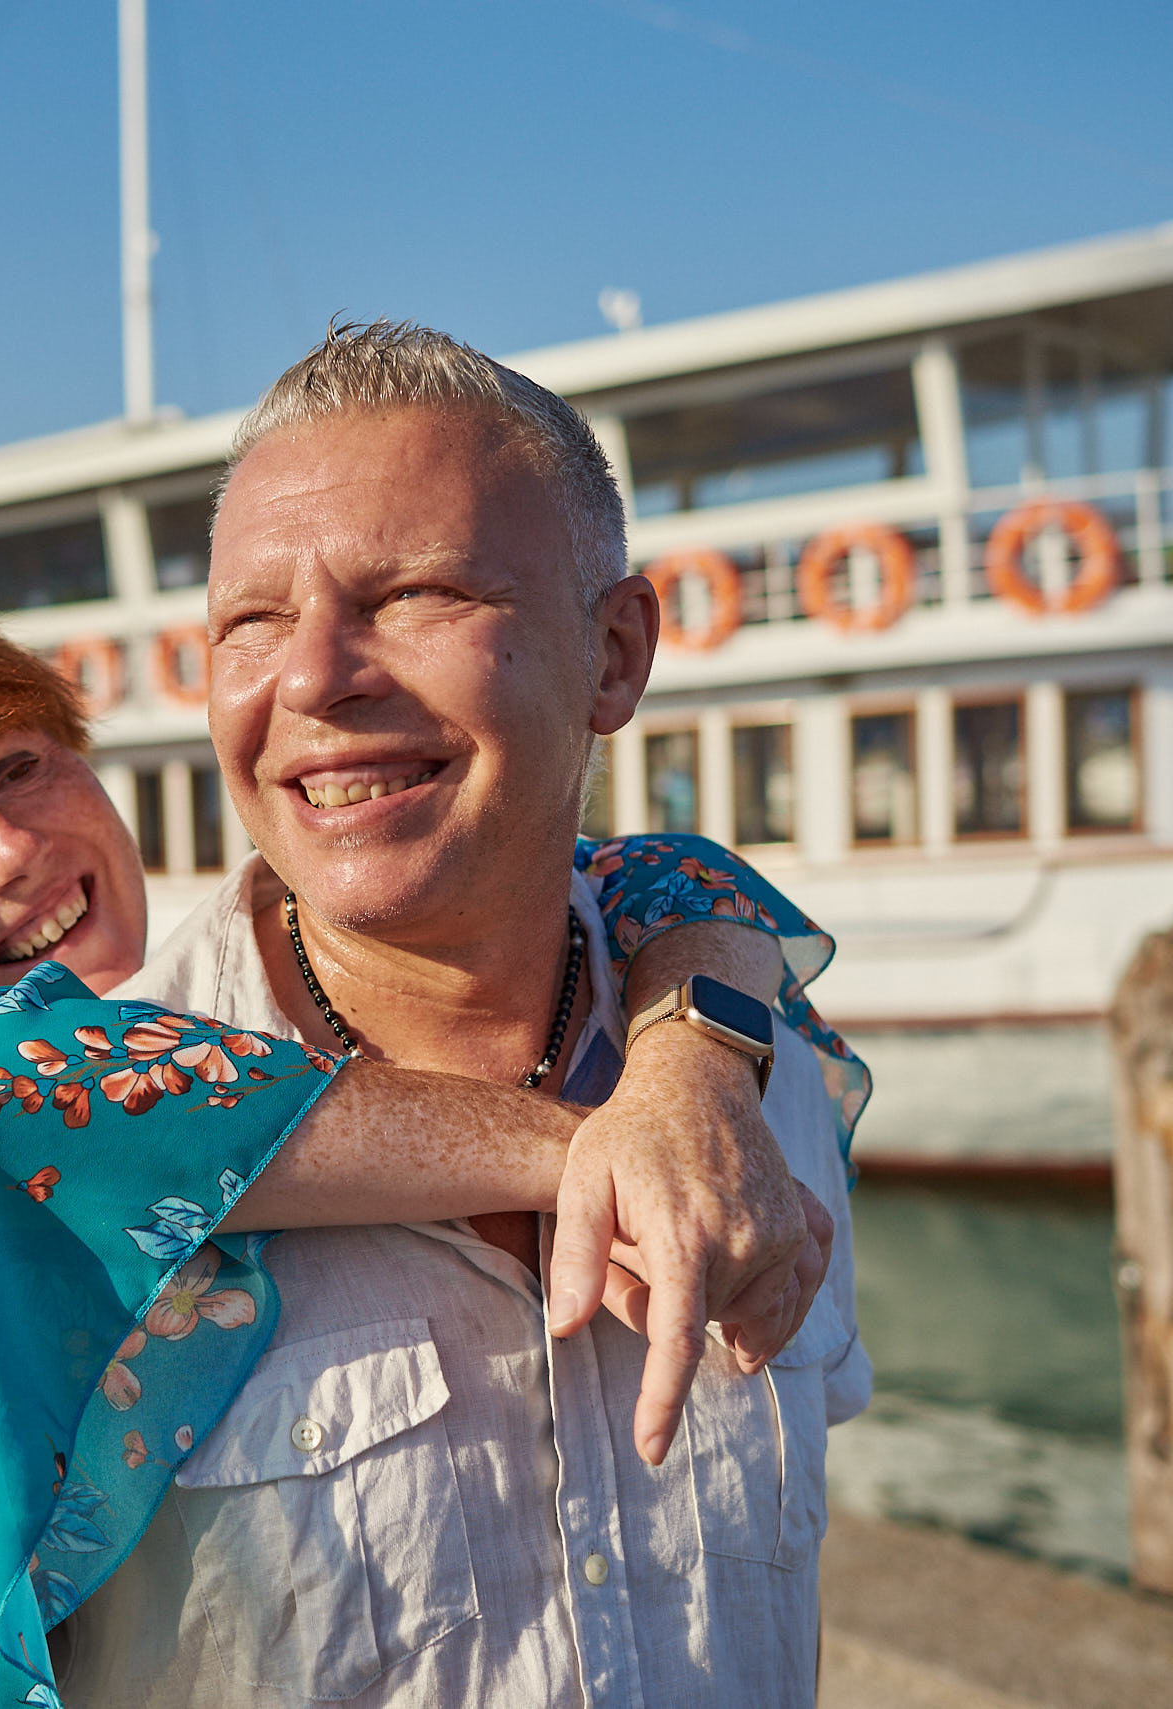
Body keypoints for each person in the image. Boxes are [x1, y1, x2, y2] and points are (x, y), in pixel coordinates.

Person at [0, 600, 843, 1706]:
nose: (9, 847)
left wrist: (691, 1059)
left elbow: (671, 875)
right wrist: (636, 1150)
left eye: (19, 766)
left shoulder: (616, 957)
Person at [52, 321, 870, 1707]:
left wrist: (699, 1052)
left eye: (416, 593)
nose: (312, 677)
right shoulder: (70, 1158)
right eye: (252, 621)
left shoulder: (755, 1062)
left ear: (614, 653)